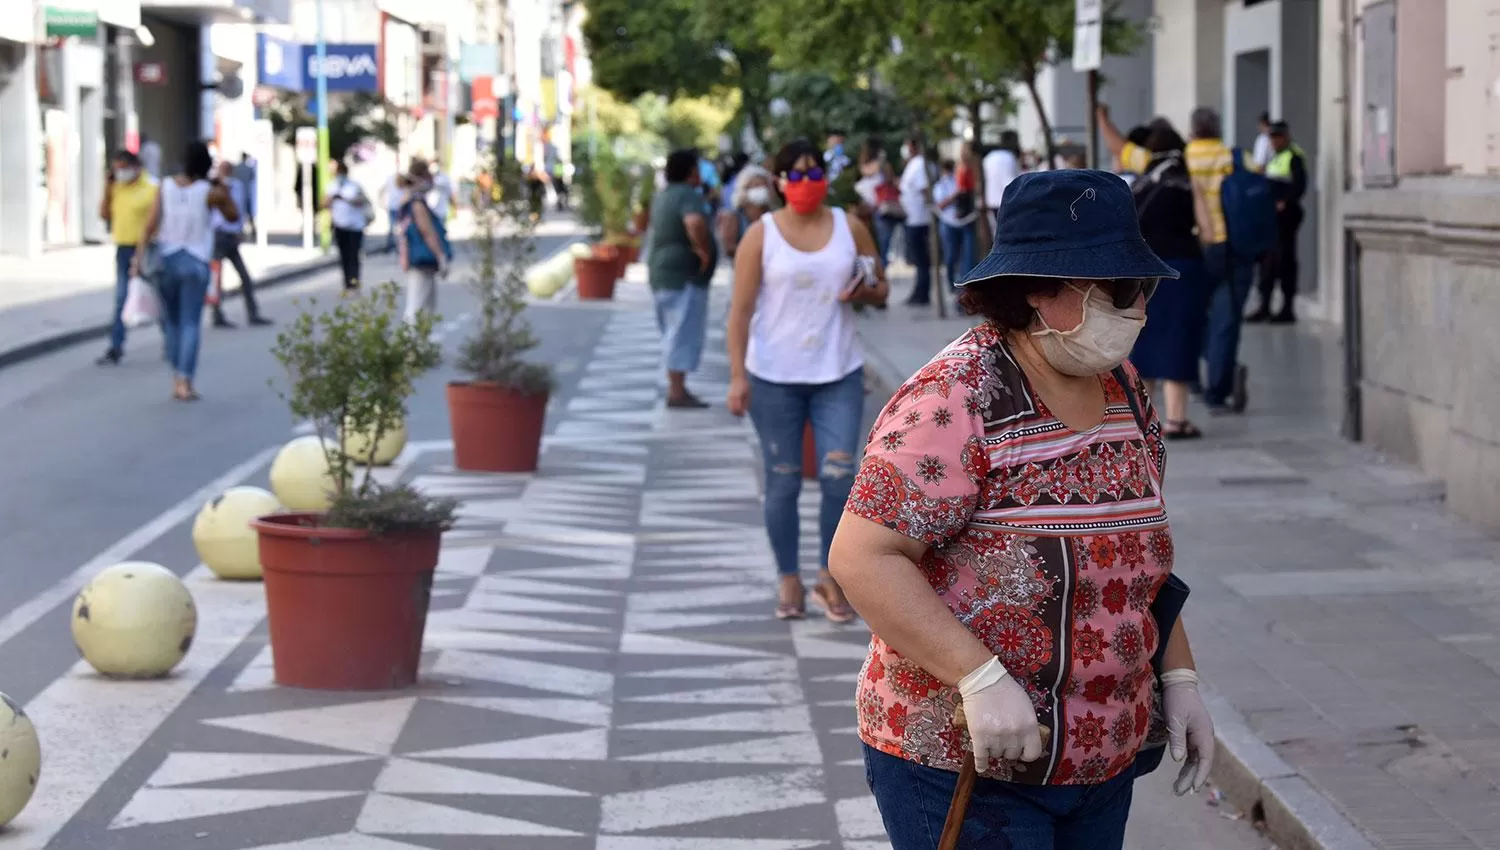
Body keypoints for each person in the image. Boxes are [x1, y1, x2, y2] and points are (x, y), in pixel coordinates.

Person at [829, 170, 1214, 849]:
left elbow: (1138, 560)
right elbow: (863, 557)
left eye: (1143, 289)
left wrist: (1178, 676)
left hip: (1103, 760)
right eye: (1118, 292)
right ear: (1037, 291)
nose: (1138, 311)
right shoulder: (956, 397)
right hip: (964, 764)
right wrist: (978, 676)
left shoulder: (1126, 391)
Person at [727, 139, 889, 622]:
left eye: (813, 172)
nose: (805, 182)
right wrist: (738, 375)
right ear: (778, 182)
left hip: (837, 371)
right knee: (783, 483)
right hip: (773, 376)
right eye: (794, 175)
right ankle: (788, 578)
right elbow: (739, 311)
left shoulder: (850, 226)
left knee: (840, 480)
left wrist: (866, 290)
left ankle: (829, 577)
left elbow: (880, 289)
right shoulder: (761, 235)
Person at [135, 141, 238, 402]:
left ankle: (175, 374)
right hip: (196, 259)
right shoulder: (209, 191)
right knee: (191, 322)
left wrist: (137, 259)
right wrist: (222, 189)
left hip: (166, 259)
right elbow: (233, 216)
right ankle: (184, 380)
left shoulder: (165, 186)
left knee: (171, 321)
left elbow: (149, 225)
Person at [1130, 121, 1211, 439]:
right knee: (1180, 337)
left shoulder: (1138, 185)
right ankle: (1176, 420)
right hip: (1182, 267)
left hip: (1145, 271)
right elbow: (1207, 229)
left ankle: (1144, 420)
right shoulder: (1186, 182)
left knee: (1145, 339)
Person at [646, 149, 718, 409]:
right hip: (683, 275)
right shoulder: (688, 196)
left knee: (672, 330)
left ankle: (678, 387)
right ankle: (677, 391)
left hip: (662, 272)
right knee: (681, 332)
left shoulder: (664, 196)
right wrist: (703, 250)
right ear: (690, 172)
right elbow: (694, 222)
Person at [96, 150, 159, 366]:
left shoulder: (151, 188)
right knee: (121, 299)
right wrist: (107, 187)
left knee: (158, 296)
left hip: (147, 249)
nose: (120, 172)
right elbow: (104, 215)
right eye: (116, 168)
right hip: (123, 249)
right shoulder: (116, 188)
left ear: (135, 167)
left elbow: (157, 222)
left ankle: (172, 342)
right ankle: (116, 346)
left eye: (123, 167)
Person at [1248, 121, 1308, 324]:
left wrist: (1285, 202)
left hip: (1286, 217)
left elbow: (1299, 185)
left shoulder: (1293, 156)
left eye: (1276, 137)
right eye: (1271, 138)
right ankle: (1264, 305)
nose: (1273, 141)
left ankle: (1287, 308)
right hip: (1271, 217)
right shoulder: (1275, 157)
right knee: (1267, 262)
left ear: (1285, 136)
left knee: (1285, 261)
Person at [210, 160, 270, 327]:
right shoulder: (214, 187)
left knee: (244, 276)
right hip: (219, 235)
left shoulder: (236, 186)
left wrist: (241, 229)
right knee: (217, 277)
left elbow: (240, 208)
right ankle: (217, 314)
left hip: (231, 235)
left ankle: (252, 313)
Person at [398, 164, 451, 324]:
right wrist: (441, 256)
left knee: (425, 305)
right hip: (422, 258)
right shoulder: (417, 203)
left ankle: (419, 343)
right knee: (417, 307)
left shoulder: (406, 200)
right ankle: (411, 344)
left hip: (414, 257)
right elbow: (427, 232)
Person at [325, 159, 371, 293]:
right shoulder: (332, 186)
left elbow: (363, 200)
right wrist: (332, 198)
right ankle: (347, 284)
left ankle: (354, 282)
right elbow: (324, 203)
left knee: (354, 255)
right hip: (340, 225)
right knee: (344, 256)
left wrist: (347, 200)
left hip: (355, 225)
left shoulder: (355, 185)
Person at [933, 159, 977, 295]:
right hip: (948, 223)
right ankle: (952, 284)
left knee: (966, 257)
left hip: (965, 220)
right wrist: (955, 195)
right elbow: (940, 205)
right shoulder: (940, 185)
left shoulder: (959, 179)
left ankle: (963, 286)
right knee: (951, 256)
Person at [899, 133, 933, 305]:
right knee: (918, 258)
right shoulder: (914, 164)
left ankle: (922, 293)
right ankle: (919, 291)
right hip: (913, 217)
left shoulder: (919, 164)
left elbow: (924, 189)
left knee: (921, 258)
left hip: (919, 218)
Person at [717, 163, 776, 258]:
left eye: (763, 185)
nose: (760, 189)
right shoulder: (734, 217)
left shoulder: (774, 215)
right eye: (755, 185)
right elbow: (729, 248)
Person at [982, 130, 1021, 234]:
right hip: (1007, 200)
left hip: (991, 200)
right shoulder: (1010, 157)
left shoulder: (989, 157)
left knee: (995, 234)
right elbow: (1015, 181)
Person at [233, 154, 258, 239]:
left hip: (242, 193)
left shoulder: (237, 168)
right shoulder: (248, 168)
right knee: (249, 214)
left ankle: (245, 230)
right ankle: (252, 230)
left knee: (243, 213)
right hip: (247, 193)